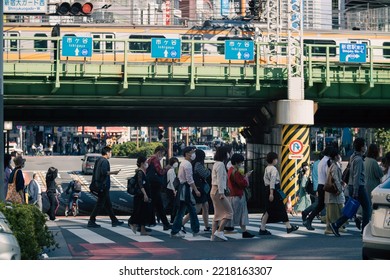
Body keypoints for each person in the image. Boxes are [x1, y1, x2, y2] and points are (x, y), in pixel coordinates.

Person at [330, 137, 371, 236]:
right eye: (364, 145)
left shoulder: (353, 157)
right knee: (367, 208)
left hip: (353, 186)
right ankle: (364, 230)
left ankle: (336, 224)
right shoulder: (359, 160)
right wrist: (356, 191)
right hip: (358, 187)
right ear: (361, 147)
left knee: (352, 208)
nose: (366, 147)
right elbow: (356, 176)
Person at [259, 152, 299, 235]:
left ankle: (262, 228)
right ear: (273, 160)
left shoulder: (267, 168)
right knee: (281, 208)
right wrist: (271, 193)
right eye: (276, 159)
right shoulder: (273, 169)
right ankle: (288, 227)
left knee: (268, 209)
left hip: (267, 189)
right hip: (273, 190)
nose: (277, 160)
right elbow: (273, 181)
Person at [88, 146, 124, 228]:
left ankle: (114, 220)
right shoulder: (104, 161)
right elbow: (104, 172)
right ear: (107, 153)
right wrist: (114, 172)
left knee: (108, 205)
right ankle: (91, 220)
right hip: (102, 186)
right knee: (100, 204)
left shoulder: (99, 160)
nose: (111, 154)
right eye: (110, 153)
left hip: (100, 185)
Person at [170, 147, 201, 238]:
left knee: (181, 211)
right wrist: (196, 190)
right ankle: (195, 230)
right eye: (192, 152)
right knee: (192, 210)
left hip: (182, 189)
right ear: (187, 154)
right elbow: (189, 179)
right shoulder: (187, 164)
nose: (193, 154)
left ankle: (175, 231)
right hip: (186, 189)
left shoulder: (183, 163)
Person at [303, 146, 335, 230]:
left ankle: (308, 220)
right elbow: (328, 174)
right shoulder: (327, 161)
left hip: (320, 186)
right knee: (331, 205)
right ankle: (334, 224)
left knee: (320, 206)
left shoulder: (321, 161)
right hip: (326, 186)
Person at [226, 153, 254, 238]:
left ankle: (243, 231)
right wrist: (246, 177)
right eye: (241, 163)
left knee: (232, 213)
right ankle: (221, 228)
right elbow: (243, 184)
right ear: (237, 163)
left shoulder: (230, 170)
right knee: (241, 214)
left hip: (232, 195)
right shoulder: (236, 172)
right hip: (238, 195)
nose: (242, 164)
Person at [182, 149, 211, 232]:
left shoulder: (193, 163)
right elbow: (205, 174)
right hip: (199, 189)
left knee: (205, 206)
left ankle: (207, 226)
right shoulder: (198, 164)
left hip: (199, 188)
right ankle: (182, 224)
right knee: (197, 208)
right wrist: (209, 171)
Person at [210, 146, 233, 241]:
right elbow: (220, 180)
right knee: (229, 212)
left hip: (214, 191)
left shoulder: (216, 164)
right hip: (218, 192)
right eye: (229, 152)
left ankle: (213, 236)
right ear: (225, 153)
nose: (230, 153)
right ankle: (219, 231)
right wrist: (222, 193)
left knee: (217, 214)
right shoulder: (220, 165)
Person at [146, 146, 172, 230]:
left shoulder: (149, 159)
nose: (162, 156)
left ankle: (165, 224)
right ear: (159, 152)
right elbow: (160, 172)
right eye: (162, 154)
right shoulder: (155, 160)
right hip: (155, 185)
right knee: (154, 205)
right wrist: (167, 168)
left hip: (151, 184)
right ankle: (142, 223)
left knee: (158, 205)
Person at [128, 156, 155, 235]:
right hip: (140, 196)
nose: (147, 164)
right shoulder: (140, 172)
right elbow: (140, 184)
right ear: (142, 163)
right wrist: (145, 194)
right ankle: (133, 223)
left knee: (143, 212)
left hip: (143, 195)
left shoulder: (143, 171)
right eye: (146, 162)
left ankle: (142, 229)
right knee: (140, 211)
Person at [324, 150, 346, 234]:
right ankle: (334, 226)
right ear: (336, 156)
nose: (340, 157)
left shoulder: (332, 165)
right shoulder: (334, 166)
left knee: (334, 209)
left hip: (333, 192)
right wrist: (340, 189)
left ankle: (334, 226)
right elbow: (335, 179)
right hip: (334, 192)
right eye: (339, 155)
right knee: (336, 209)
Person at [166, 157, 179, 224]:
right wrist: (174, 191)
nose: (176, 163)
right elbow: (171, 182)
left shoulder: (172, 170)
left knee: (172, 205)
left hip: (171, 189)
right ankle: (172, 219)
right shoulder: (171, 171)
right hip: (171, 189)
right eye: (175, 162)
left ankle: (172, 218)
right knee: (173, 205)